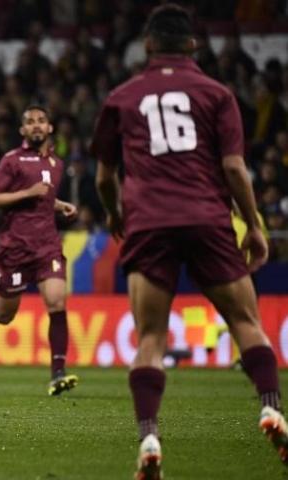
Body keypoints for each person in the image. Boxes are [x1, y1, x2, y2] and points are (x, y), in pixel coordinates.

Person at [90, 4, 287, 478]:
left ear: (149, 45)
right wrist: (254, 225)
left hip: (150, 223)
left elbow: (103, 177)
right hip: (207, 218)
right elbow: (235, 169)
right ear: (194, 45)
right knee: (246, 322)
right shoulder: (218, 94)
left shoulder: (123, 96)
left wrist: (117, 214)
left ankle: (150, 439)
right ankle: (270, 408)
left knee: (151, 339)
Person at [0, 105, 79, 396]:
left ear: (49, 128)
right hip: (14, 248)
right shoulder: (12, 160)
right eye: (30, 122)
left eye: (41, 121)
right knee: (5, 314)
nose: (36, 126)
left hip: (47, 247)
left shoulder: (57, 164)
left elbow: (44, 197)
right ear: (23, 131)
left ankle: (57, 373)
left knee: (57, 302)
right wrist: (28, 193)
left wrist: (59, 205)